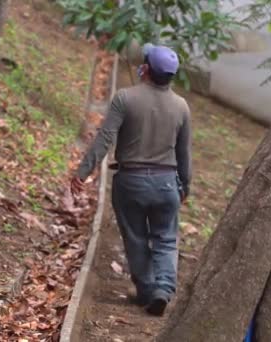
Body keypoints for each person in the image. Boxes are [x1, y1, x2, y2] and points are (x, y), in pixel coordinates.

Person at [71, 44, 192, 316]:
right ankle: (163, 287)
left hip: (130, 182)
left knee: (136, 238)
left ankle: (147, 290)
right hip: (166, 183)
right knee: (166, 239)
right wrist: (185, 185)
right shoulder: (182, 107)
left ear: (146, 69)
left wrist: (83, 172)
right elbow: (184, 153)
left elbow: (104, 139)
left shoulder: (124, 98)